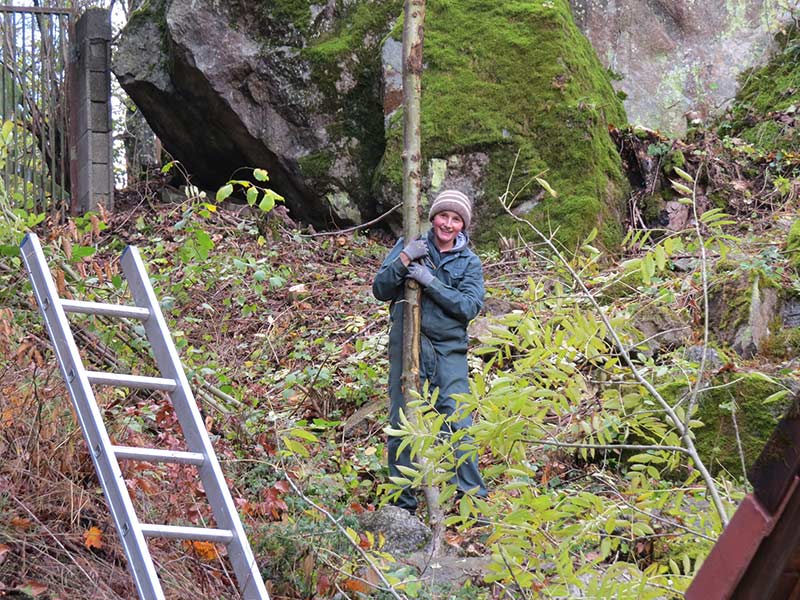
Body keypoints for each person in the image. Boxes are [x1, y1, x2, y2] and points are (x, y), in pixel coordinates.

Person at [372, 189, 488, 514]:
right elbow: (380, 289)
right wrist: (405, 259)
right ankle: (403, 508)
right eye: (443, 216)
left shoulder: (469, 262)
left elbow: (469, 306)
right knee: (402, 424)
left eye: (456, 219)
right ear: (433, 217)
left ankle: (472, 504)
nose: (448, 224)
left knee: (458, 423)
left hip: (449, 351)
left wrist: (431, 283)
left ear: (463, 226)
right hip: (407, 345)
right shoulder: (411, 244)